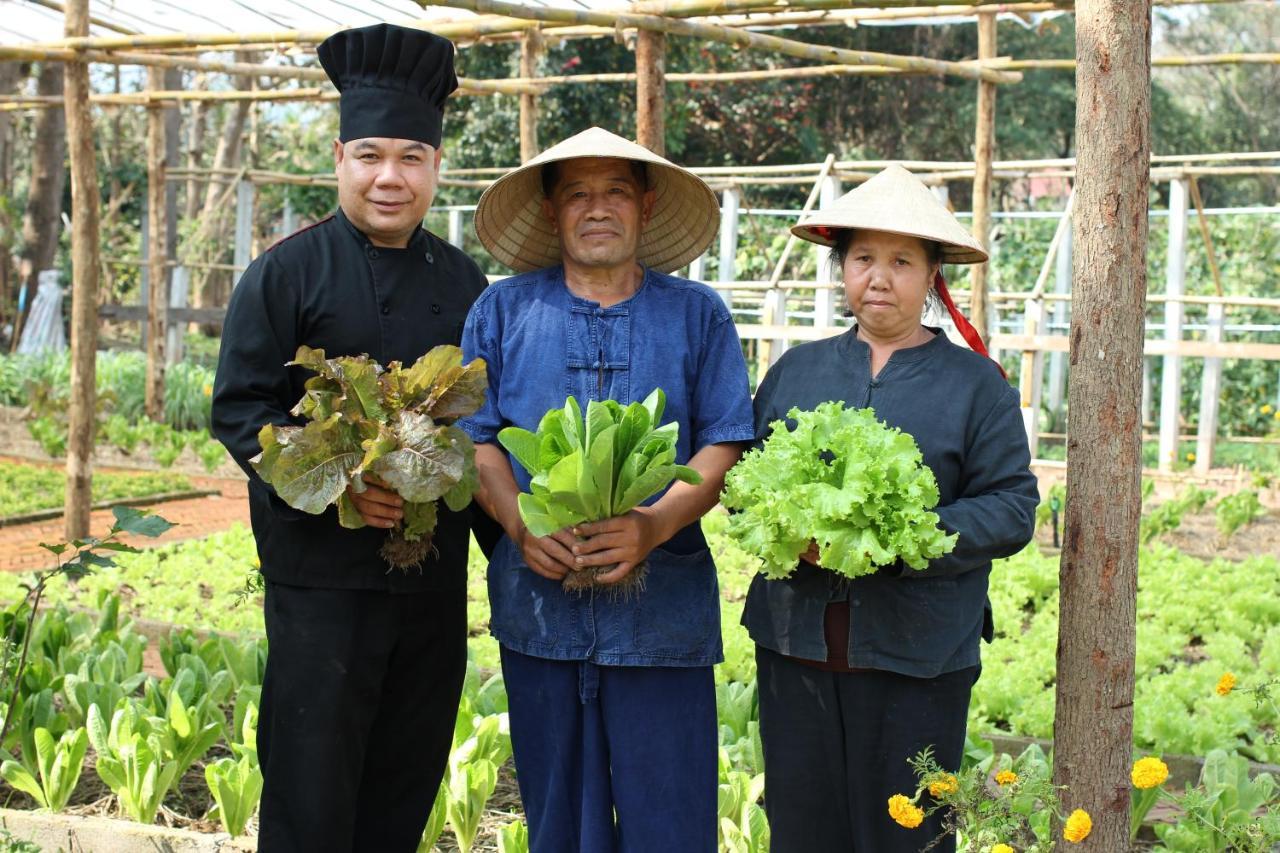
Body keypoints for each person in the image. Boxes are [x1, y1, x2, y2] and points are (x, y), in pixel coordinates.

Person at [211, 24, 488, 853]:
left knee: (406, 778)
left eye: (410, 157)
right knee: (311, 786)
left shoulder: (466, 281)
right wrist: (336, 479)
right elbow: (240, 409)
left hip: (432, 582)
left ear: (436, 168)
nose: (390, 177)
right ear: (339, 159)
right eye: (370, 155)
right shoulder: (285, 273)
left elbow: (480, 421)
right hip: (320, 586)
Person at [459, 127, 755, 853]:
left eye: (616, 192)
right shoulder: (500, 312)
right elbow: (476, 440)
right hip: (540, 607)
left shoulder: (697, 313)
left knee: (671, 821)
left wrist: (654, 525)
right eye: (579, 195)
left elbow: (724, 441)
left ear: (645, 206)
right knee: (559, 819)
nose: (598, 209)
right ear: (553, 211)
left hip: (665, 616)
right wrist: (522, 527)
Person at [741, 165, 1039, 852]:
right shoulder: (796, 371)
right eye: (863, 258)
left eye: (902, 261)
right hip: (796, 649)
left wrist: (907, 538)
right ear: (842, 267)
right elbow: (750, 483)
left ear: (932, 273)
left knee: (909, 835)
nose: (879, 277)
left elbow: (1013, 506)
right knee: (803, 828)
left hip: (921, 658)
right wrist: (793, 531)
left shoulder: (976, 386)